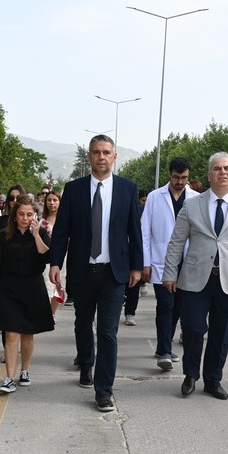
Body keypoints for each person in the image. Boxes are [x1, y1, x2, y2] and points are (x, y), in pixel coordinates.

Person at [162, 152, 228, 401]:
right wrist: (169, 272)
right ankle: (190, 375)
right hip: (196, 278)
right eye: (217, 168)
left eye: (227, 168)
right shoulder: (192, 204)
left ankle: (213, 380)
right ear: (209, 175)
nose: (222, 172)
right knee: (193, 328)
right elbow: (177, 242)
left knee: (221, 333)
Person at [49, 134, 143, 413]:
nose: (101, 157)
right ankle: (86, 363)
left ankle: (104, 390)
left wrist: (137, 266)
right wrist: (56, 263)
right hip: (82, 270)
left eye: (106, 152)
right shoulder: (74, 189)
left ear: (114, 157)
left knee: (108, 332)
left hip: (114, 273)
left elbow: (134, 231)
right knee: (82, 323)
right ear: (88, 157)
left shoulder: (127, 189)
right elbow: (62, 230)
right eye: (96, 152)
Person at [0, 196, 54, 393]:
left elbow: (47, 256)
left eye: (29, 214)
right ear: (14, 216)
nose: (24, 217)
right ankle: (8, 378)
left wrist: (37, 234)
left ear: (35, 216)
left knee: (27, 333)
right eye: (21, 214)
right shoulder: (4, 236)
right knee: (11, 332)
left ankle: (25, 370)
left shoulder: (41, 234)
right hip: (9, 288)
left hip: (32, 287)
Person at [141, 156, 199, 371]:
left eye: (184, 178)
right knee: (165, 304)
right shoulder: (155, 198)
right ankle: (164, 349)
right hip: (161, 261)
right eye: (176, 177)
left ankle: (163, 345)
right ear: (169, 175)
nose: (180, 182)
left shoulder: (195, 198)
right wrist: (145, 263)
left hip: (187, 262)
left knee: (178, 307)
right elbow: (144, 232)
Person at [40, 189, 62, 316]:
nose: (52, 203)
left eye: (55, 200)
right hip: (46, 257)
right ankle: (45, 314)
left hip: (62, 258)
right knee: (47, 285)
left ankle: (52, 314)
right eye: (49, 200)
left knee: (58, 286)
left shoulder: (64, 220)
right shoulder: (41, 221)